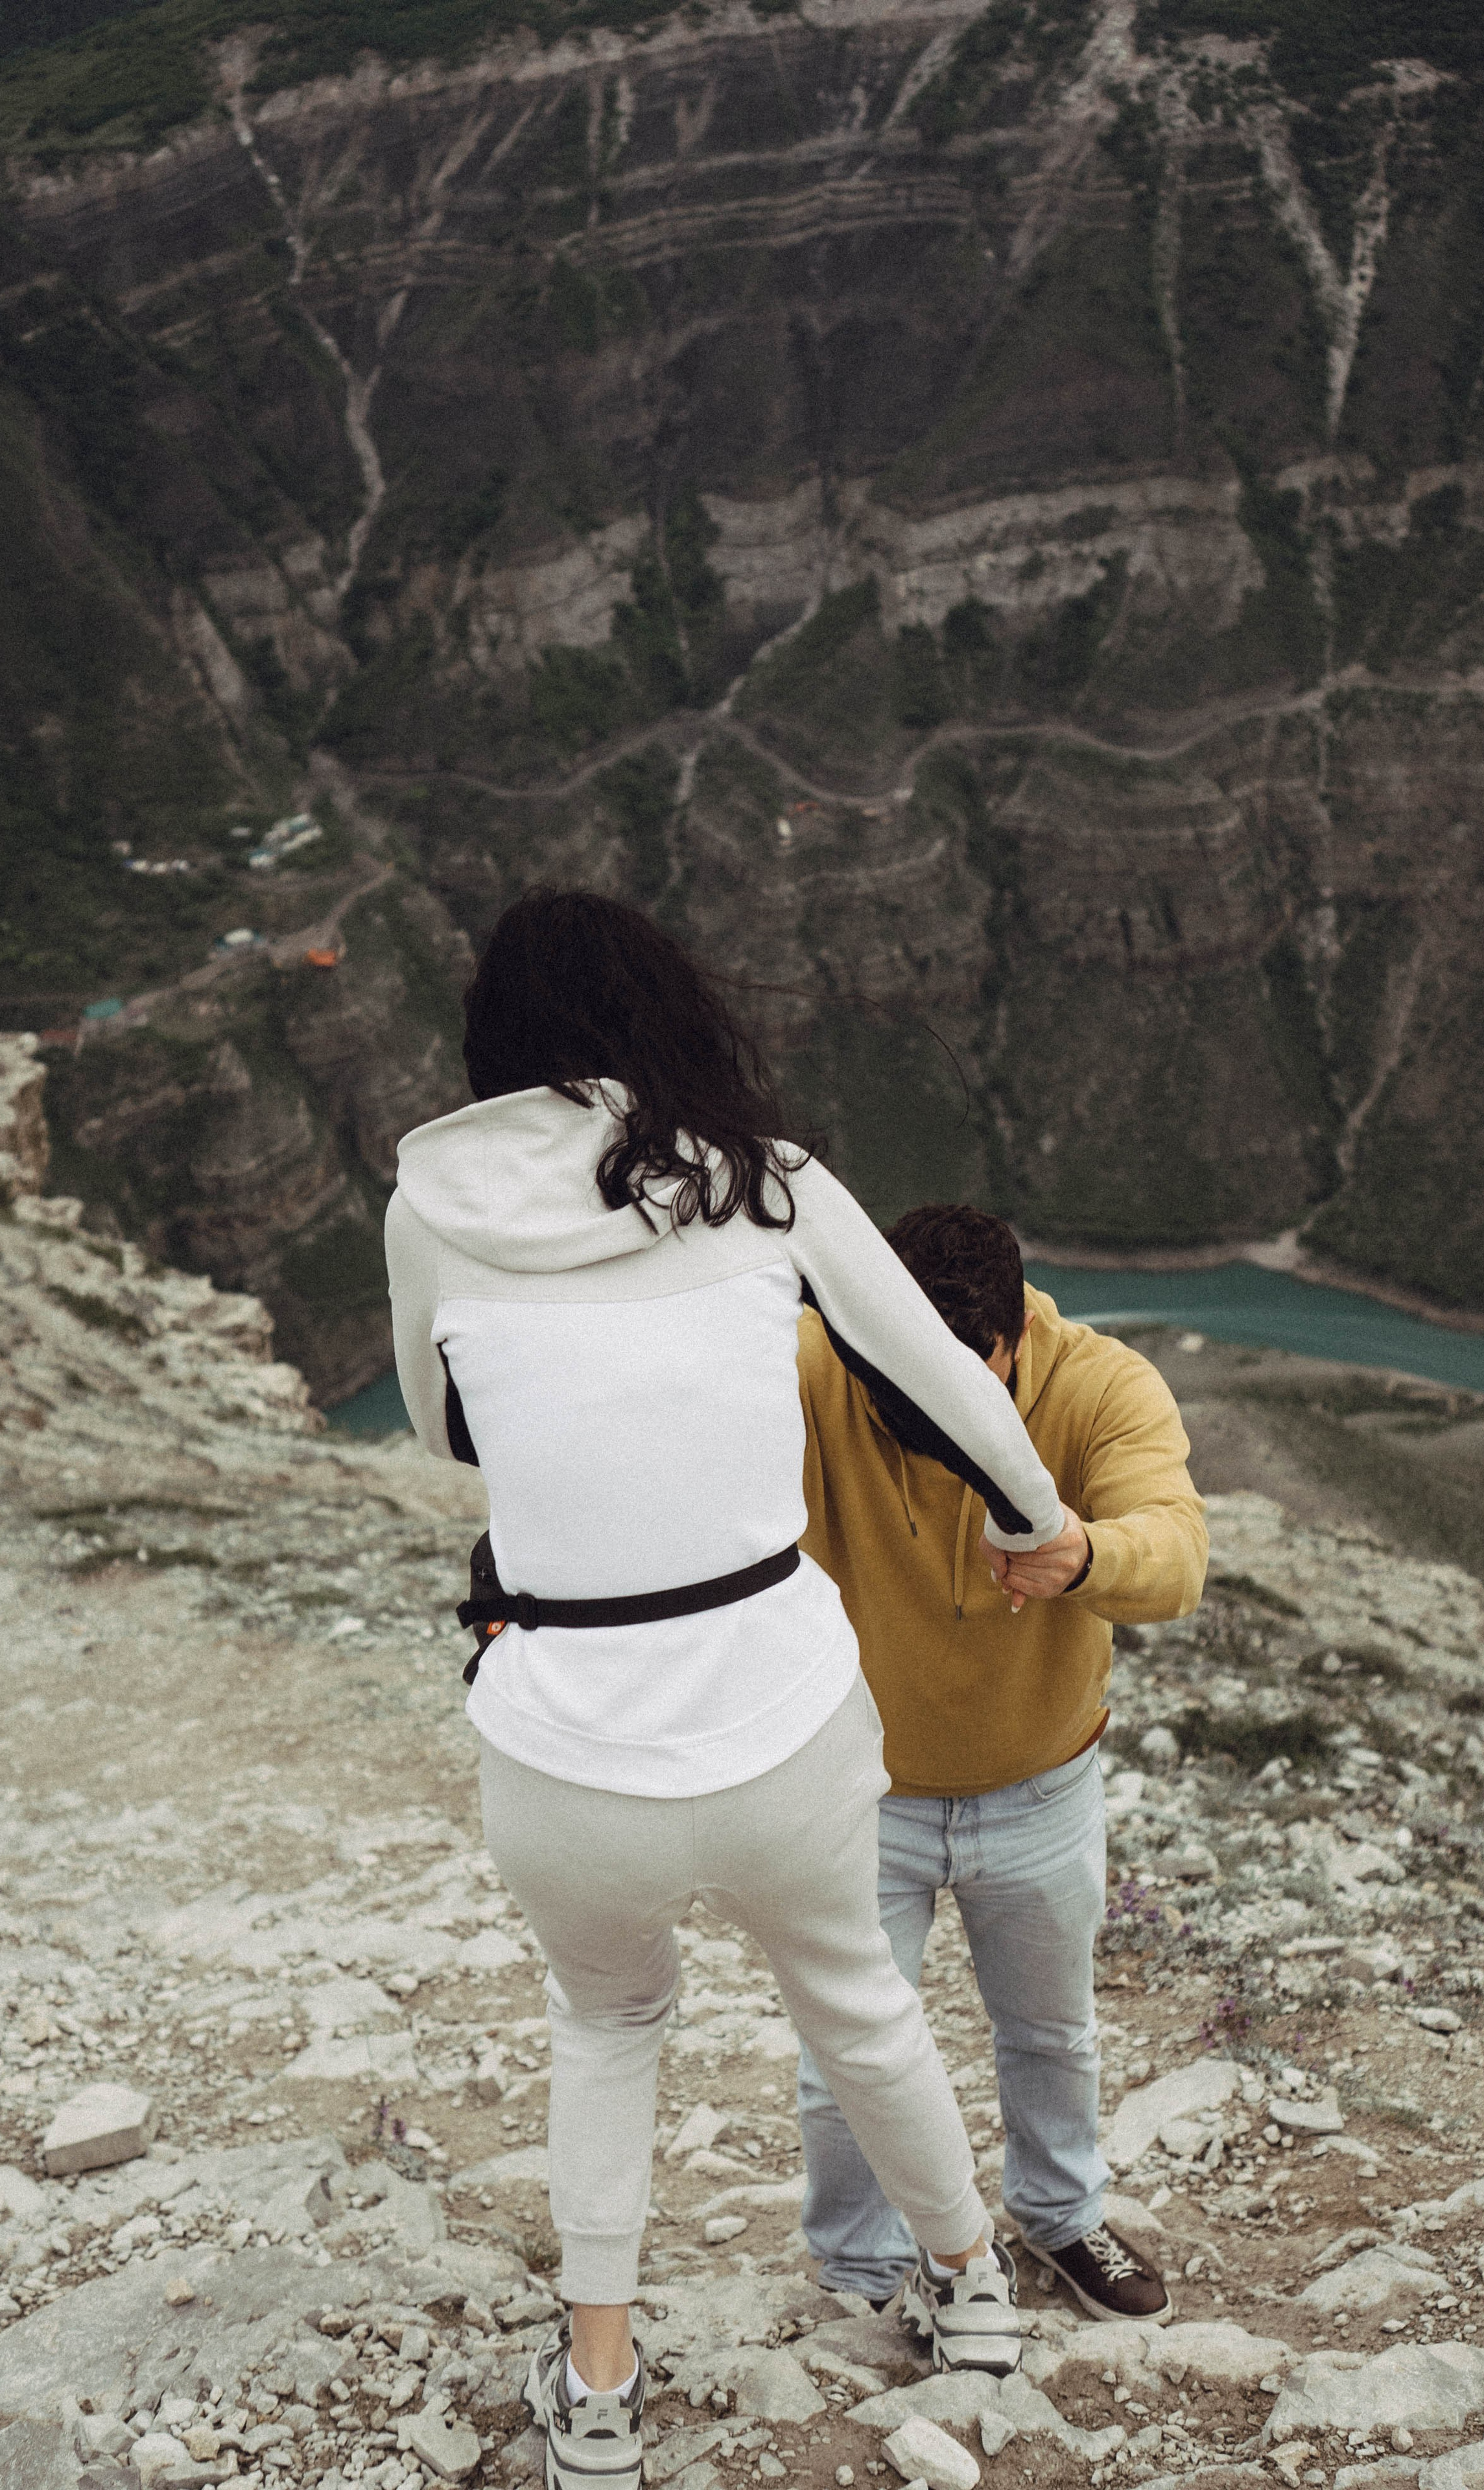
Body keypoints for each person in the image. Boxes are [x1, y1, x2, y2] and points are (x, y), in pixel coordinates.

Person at [385, 894, 1079, 2490]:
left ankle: (603, 2392)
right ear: (666, 1018)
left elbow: (443, 1430)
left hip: (564, 1740)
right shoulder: (767, 1183)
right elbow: (945, 1380)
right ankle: (968, 2297)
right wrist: (1037, 1527)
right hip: (779, 1713)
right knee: (857, 2003)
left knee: (607, 2027)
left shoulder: (431, 1210)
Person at [795, 1203, 1208, 2323]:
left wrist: (1086, 1556)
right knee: (845, 2053)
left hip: (1042, 1784)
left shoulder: (1101, 1384)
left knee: (1050, 2030)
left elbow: (1177, 1556)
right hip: (860, 1790)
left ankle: (1063, 2218)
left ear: (1013, 1339)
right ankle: (858, 2264)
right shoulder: (815, 1359)